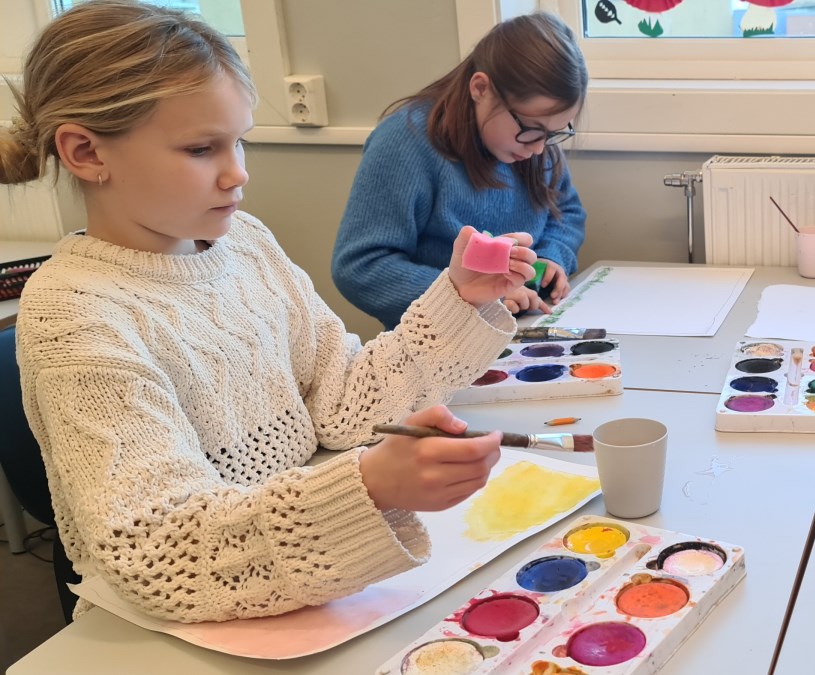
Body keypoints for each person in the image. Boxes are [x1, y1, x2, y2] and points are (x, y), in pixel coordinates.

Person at [0, 0, 537, 623]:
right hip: (178, 626)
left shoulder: (246, 245)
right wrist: (368, 485)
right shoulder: (73, 315)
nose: (238, 175)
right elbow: (160, 552)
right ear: (87, 153)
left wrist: (460, 298)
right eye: (201, 149)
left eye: (240, 142)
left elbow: (342, 402)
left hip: (295, 587)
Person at [333, 13, 587, 329]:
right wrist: (469, 294)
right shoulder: (404, 143)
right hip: (438, 340)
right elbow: (360, 267)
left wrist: (549, 258)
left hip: (518, 329)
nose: (539, 148)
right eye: (532, 129)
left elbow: (566, 213)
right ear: (480, 88)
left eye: (553, 134)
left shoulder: (533, 142)